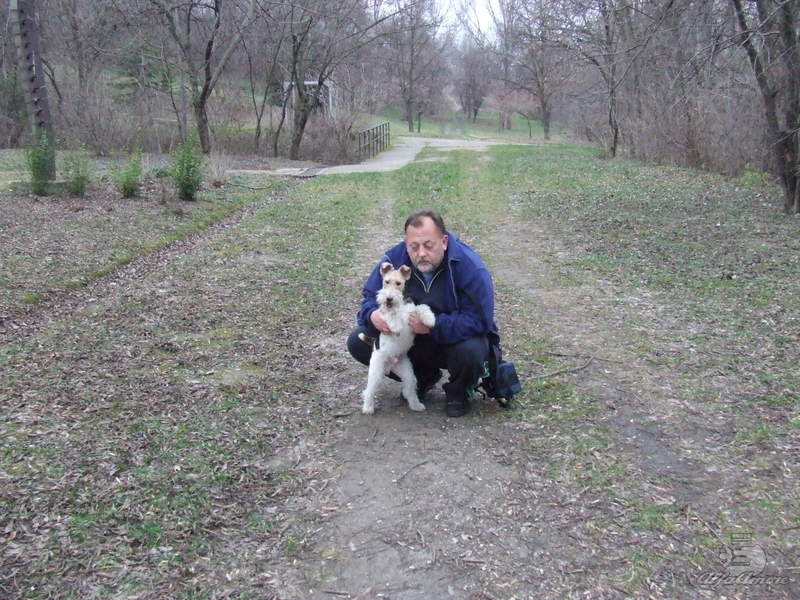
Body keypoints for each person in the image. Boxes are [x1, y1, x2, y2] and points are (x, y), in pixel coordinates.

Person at [347, 208, 498, 417]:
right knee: (358, 341)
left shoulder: (470, 267)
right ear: (406, 244)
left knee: (472, 351)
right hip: (410, 338)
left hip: (451, 340)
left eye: (429, 245)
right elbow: (369, 296)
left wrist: (432, 327)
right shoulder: (394, 258)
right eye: (414, 247)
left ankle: (458, 391)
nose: (421, 254)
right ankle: (422, 377)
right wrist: (373, 315)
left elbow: (480, 321)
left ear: (444, 242)